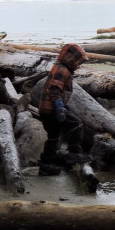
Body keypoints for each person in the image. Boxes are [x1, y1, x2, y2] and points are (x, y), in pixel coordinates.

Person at [36, 42, 88, 175]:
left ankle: (46, 165)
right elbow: (54, 89)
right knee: (76, 124)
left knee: (53, 136)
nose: (78, 66)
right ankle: (74, 153)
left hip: (46, 109)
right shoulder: (61, 70)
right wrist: (59, 107)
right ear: (71, 59)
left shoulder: (61, 67)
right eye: (78, 62)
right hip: (51, 108)